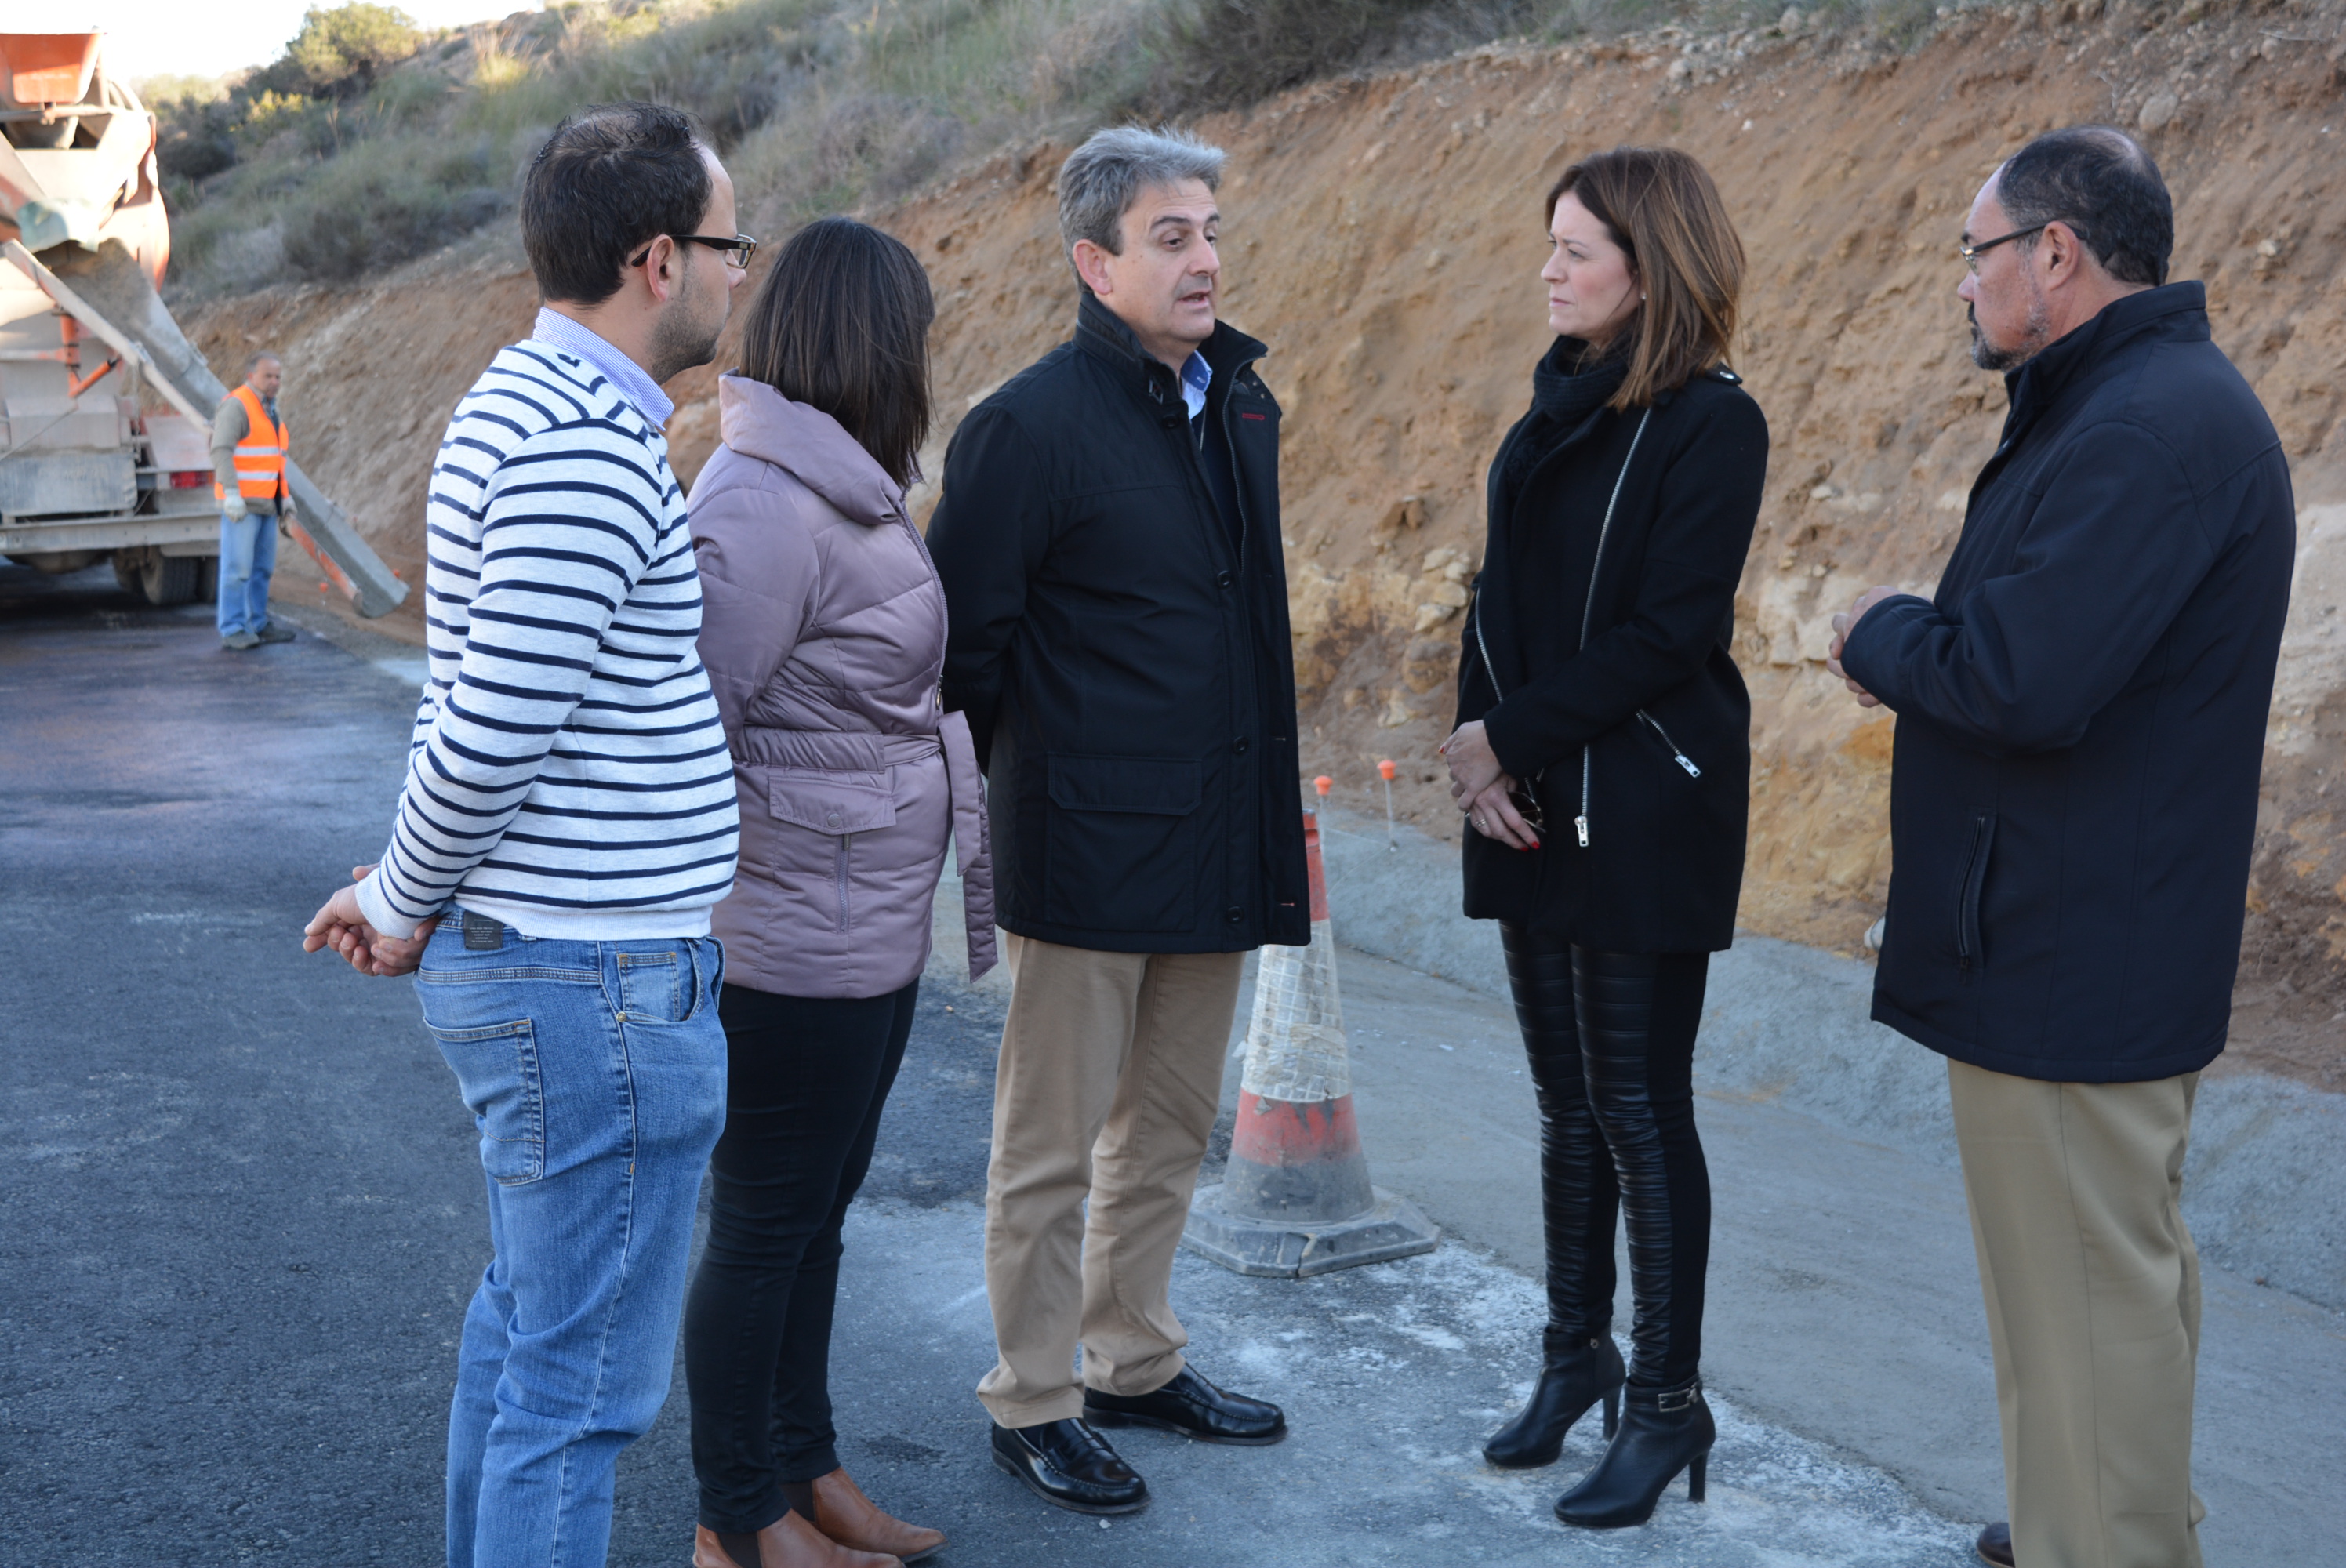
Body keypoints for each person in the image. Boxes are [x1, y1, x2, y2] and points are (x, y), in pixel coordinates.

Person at [1828, 127, 2293, 1568]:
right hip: (2070, 933)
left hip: (2073, 950)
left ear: (2054, 256)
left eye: (1975, 256)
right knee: (2084, 1295)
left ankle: (2106, 1547)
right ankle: (2070, 1531)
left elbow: (2020, 677)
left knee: (2088, 1301)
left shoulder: (2146, 428)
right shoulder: (2130, 407)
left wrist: (1871, 630)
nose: (1963, 288)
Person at [300, 101, 750, 1568]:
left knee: (530, 1338)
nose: (746, 274)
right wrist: (403, 892)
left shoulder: (538, 406)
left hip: (570, 974)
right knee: (579, 1392)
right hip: (592, 983)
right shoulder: (576, 448)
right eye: (730, 245)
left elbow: (473, 699)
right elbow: (492, 726)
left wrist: (402, 885)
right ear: (658, 258)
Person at [924, 124, 1306, 1516]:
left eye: (1207, 229)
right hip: (1084, 850)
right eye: (1170, 235)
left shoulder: (1240, 406)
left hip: (1217, 843)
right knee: (1047, 1149)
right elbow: (961, 654)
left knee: (1163, 1132)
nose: (1204, 256)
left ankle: (1134, 1357)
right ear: (1094, 262)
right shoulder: (1026, 427)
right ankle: (1032, 1399)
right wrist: (1028, 798)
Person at [1439, 145, 1765, 1530]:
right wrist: (1476, 759)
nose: (1550, 270)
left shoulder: (1710, 424)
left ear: (1652, 266)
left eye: (1576, 250)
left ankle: (1667, 1402)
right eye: (1551, 246)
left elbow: (1667, 631)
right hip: (1525, 807)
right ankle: (1575, 1354)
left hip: (1640, 809)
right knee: (1567, 1108)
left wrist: (1504, 740)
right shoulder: (1549, 411)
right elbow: (1494, 602)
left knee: (1639, 1112)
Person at [681, 216, 990, 1568]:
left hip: (860, 932)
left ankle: (806, 1470)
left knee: (815, 1219)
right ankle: (735, 1517)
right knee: (762, 1226)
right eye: (911, 334)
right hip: (782, 940)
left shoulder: (847, 490)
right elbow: (696, 727)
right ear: (874, 347)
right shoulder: (757, 506)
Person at [211, 350, 297, 650]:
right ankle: (233, 628)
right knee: (238, 570)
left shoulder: (271, 411)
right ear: (251, 376)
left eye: (278, 377)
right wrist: (231, 493)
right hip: (242, 507)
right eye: (268, 376)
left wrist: (284, 499)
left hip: (266, 506)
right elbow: (221, 449)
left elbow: (275, 462)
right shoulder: (238, 406)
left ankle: (258, 624)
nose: (274, 382)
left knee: (262, 570)